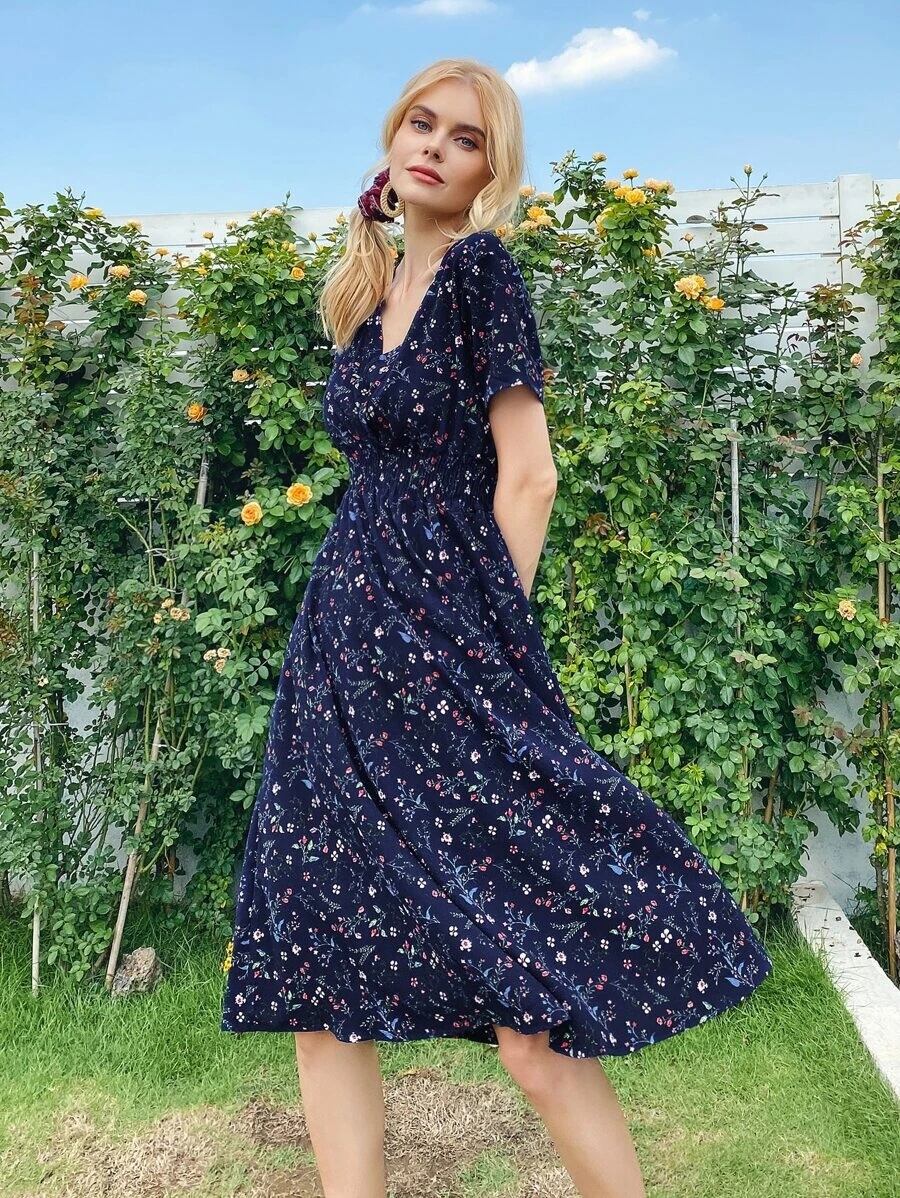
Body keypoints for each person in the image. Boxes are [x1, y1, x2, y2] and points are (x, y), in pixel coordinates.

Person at [221, 56, 773, 1198]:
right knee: (322, 977)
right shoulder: (368, 292)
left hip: (450, 647)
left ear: (489, 171)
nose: (435, 146)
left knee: (533, 1013)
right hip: (339, 655)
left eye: (464, 138)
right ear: (393, 139)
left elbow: (530, 476)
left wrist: (486, 644)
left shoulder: (482, 273)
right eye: (421, 124)